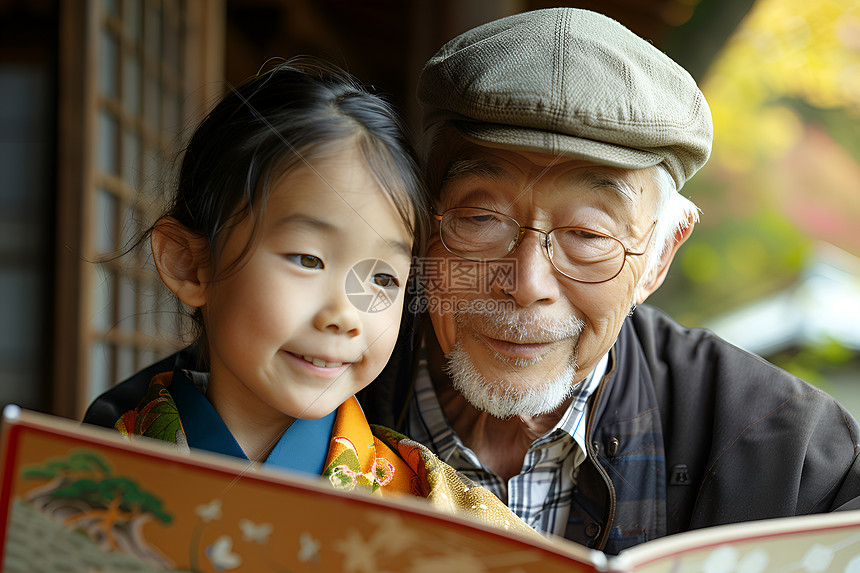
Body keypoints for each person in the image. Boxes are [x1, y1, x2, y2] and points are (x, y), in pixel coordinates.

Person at [86, 10, 860, 554]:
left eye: (588, 237)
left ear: (661, 254)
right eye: (480, 219)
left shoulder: (793, 455)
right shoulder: (169, 427)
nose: (525, 283)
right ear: (421, 223)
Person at [88, 57, 540, 538]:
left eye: (384, 279)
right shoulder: (88, 481)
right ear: (190, 264)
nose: (345, 314)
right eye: (307, 259)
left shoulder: (441, 513)